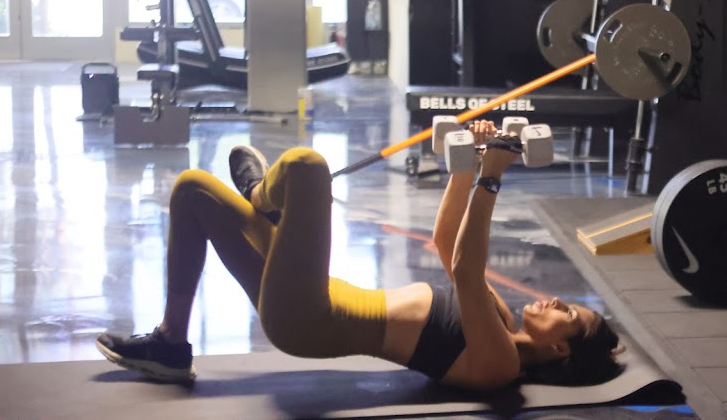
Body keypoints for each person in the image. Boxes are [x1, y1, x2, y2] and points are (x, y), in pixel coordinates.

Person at [95, 120, 622, 390]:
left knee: (305, 167)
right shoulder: (500, 317)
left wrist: (492, 176)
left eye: (569, 314)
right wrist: (468, 164)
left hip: (308, 318)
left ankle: (262, 197)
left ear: (560, 349)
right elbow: (446, 243)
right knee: (191, 190)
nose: (556, 300)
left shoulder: (500, 365)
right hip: (310, 290)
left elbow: (465, 269)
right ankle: (169, 345)